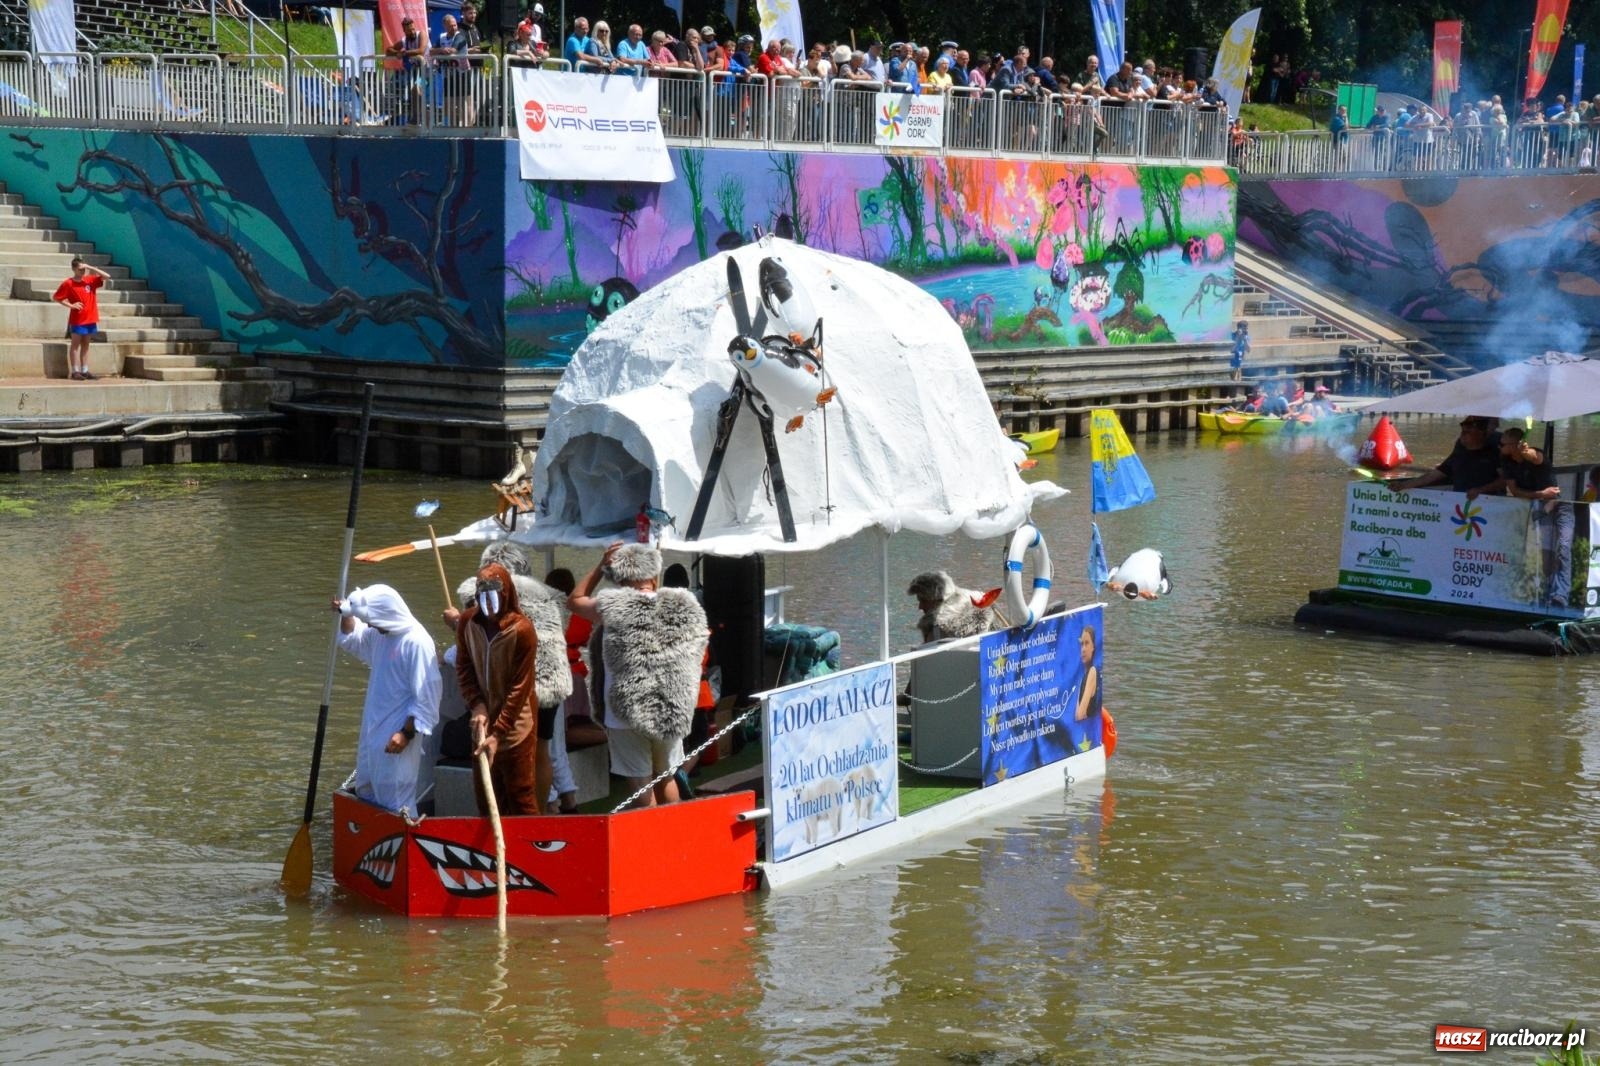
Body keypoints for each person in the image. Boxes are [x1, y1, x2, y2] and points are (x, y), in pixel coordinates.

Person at [569, 544, 707, 808]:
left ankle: (653, 842)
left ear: (619, 578)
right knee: (667, 778)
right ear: (654, 576)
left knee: (641, 783)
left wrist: (601, 564)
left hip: (625, 712)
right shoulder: (684, 604)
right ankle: (675, 836)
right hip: (671, 708)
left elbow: (574, 600)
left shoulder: (612, 606)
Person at [333, 585, 442, 817]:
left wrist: (406, 733)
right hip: (372, 729)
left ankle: (404, 845)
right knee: (366, 790)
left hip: (397, 734)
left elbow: (427, 698)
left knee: (395, 799)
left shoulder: (417, 642)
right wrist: (347, 613)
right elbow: (354, 638)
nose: (370, 625)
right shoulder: (382, 633)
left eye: (372, 621)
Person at [456, 561, 548, 816]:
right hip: (482, 724)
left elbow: (520, 687)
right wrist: (477, 704)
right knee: (487, 797)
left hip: (516, 724)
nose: (487, 601)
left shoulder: (522, 630)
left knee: (520, 795)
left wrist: (498, 734)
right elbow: (464, 669)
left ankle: (530, 851)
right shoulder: (467, 623)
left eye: (494, 593)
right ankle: (491, 852)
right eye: (482, 593)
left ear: (505, 593)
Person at [1389, 417, 1502, 493]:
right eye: (1462, 432)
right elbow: (1439, 472)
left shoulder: (1497, 446)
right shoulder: (1461, 448)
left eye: (1467, 432)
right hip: (1461, 500)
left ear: (1481, 433)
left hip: (1491, 502)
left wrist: (1480, 490)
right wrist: (1404, 485)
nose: (1462, 435)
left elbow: (1506, 479)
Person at [53, 256, 111, 381]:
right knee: (75, 345)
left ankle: (84, 370)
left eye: (83, 269)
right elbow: (57, 297)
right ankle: (75, 371)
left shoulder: (90, 280)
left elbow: (107, 276)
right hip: (78, 319)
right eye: (80, 269)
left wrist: (90, 267)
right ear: (73, 269)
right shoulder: (68, 283)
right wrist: (71, 305)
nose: (82, 271)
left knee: (86, 345)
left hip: (90, 318)